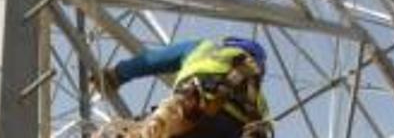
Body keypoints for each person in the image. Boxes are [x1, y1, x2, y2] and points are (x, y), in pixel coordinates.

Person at [94, 37, 273, 138]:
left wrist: (116, 74)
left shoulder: (207, 48)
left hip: (188, 109)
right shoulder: (261, 103)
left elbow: (151, 61)